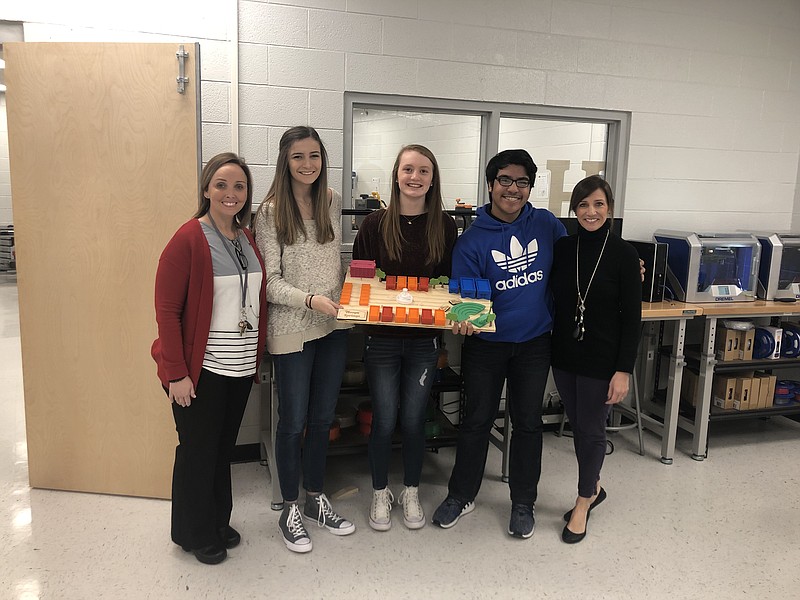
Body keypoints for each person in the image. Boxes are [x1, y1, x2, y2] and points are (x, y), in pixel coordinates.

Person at [432, 149, 566, 539]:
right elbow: (465, 302)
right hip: (487, 347)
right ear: (491, 185)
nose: (513, 189)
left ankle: (523, 502)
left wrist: (626, 264)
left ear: (530, 188)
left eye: (522, 182)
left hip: (535, 343)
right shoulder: (471, 241)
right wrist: (461, 320)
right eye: (505, 180)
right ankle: (461, 495)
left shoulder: (546, 224)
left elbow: (577, 260)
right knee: (475, 420)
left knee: (527, 423)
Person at [152, 152, 268, 565]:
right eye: (221, 184)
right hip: (201, 370)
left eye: (239, 186)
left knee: (221, 450)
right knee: (197, 451)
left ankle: (218, 521)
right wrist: (178, 375)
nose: (230, 193)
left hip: (238, 368)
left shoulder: (246, 238)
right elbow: (167, 311)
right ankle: (194, 533)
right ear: (206, 189)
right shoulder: (188, 239)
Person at [254, 126, 355, 554]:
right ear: (285, 160)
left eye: (314, 155)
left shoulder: (329, 200)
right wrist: (311, 300)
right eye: (299, 157)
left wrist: (356, 290)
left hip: (333, 325)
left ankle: (315, 498)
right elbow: (270, 283)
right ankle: (289, 506)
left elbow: (336, 260)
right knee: (292, 420)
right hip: (292, 327)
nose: (307, 164)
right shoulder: (270, 212)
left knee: (322, 417)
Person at [353, 144, 458, 531]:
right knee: (383, 420)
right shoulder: (374, 225)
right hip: (380, 339)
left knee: (414, 420)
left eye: (424, 171)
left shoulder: (445, 227)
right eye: (408, 169)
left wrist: (461, 315)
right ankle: (381, 491)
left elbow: (450, 287)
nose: (415, 177)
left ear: (433, 179)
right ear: (396, 174)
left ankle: (410, 488)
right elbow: (359, 282)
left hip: (423, 342)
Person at [550, 175, 641, 544]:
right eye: (584, 205)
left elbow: (632, 319)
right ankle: (595, 485)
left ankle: (583, 501)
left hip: (602, 359)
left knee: (591, 431)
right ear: (574, 209)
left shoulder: (624, 255)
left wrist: (623, 370)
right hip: (565, 353)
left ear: (610, 209)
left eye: (598, 204)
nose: (591, 212)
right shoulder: (563, 248)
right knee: (579, 426)